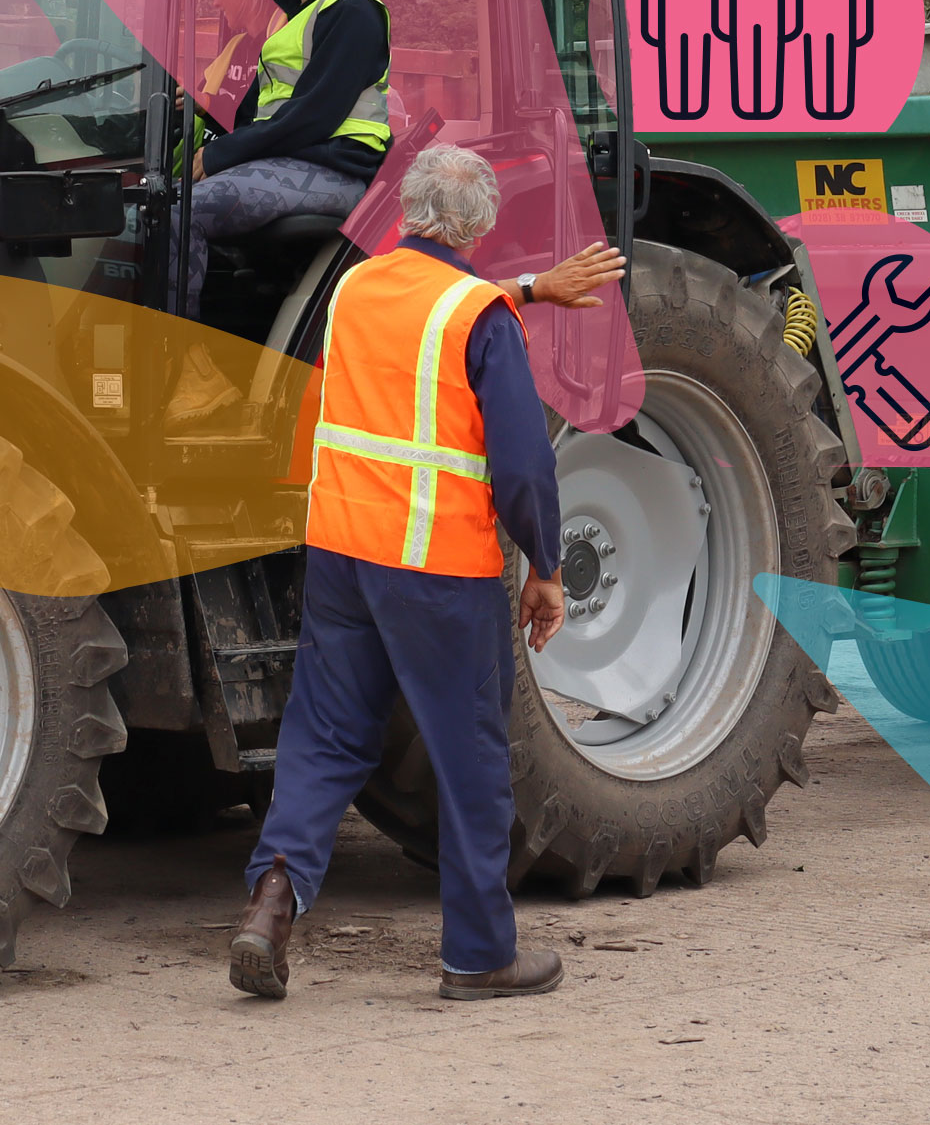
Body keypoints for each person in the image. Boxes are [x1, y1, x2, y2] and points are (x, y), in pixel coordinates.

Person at [226, 145, 628, 1002]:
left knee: (324, 741)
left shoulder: (353, 287)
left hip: (340, 555)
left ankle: (271, 901)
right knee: (470, 758)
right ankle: (480, 955)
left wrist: (525, 290)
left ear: (408, 214)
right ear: (481, 225)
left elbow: (429, 312)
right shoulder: (479, 316)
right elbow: (524, 467)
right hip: (437, 570)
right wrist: (547, 569)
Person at [167, 0, 392, 429]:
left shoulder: (354, 13)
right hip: (297, 162)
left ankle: (193, 374)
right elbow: (259, 119)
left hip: (337, 170)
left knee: (188, 211)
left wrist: (218, 156)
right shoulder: (297, 16)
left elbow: (313, 115)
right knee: (156, 201)